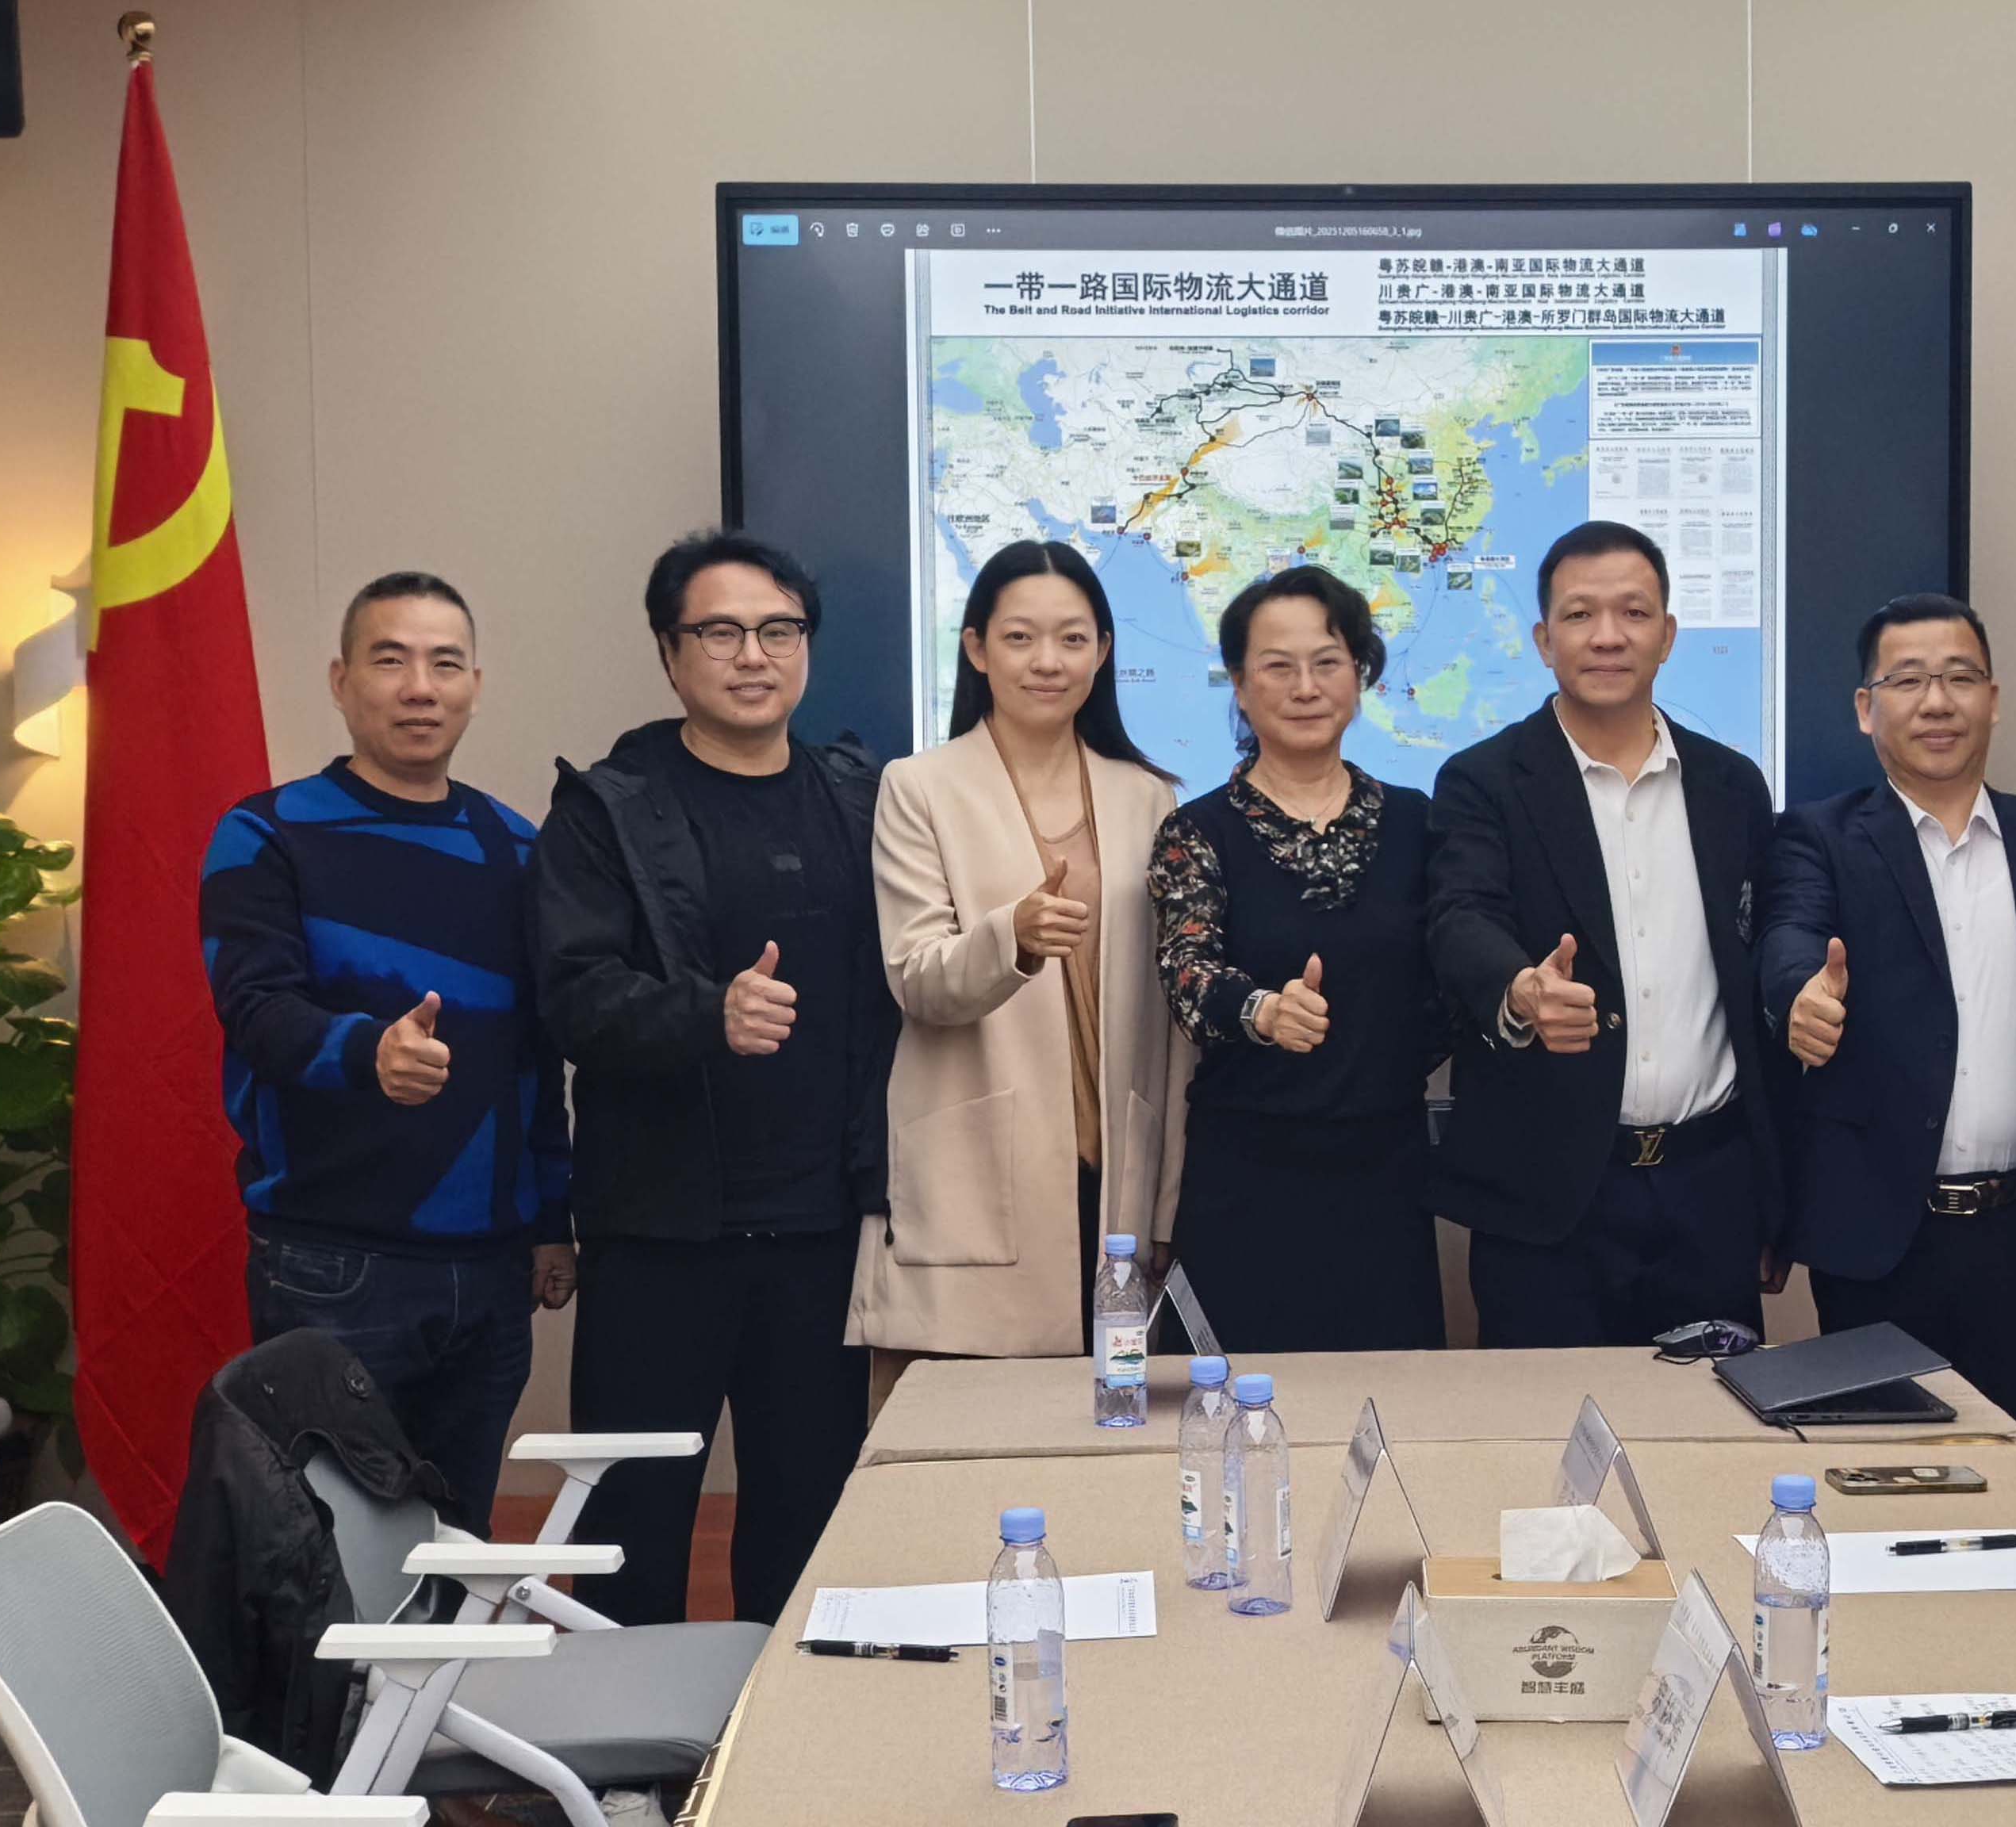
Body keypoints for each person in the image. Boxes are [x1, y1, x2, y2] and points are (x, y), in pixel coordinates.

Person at [527, 529, 899, 1626]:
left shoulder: (861, 797)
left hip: (823, 1233)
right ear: (669, 651)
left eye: (779, 630)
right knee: (633, 1534)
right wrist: (707, 1015)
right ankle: (628, 1740)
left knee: (809, 1524)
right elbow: (571, 997)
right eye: (721, 632)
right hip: (663, 1234)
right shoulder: (606, 809)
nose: (752, 655)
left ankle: (782, 1733)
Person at [199, 572, 569, 1534]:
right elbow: (256, 1010)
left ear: (474, 686)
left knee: (459, 1542)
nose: (419, 688)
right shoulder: (265, 832)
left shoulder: (518, 848)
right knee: (329, 1557)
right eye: (390, 660)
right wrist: (368, 1053)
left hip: (492, 1272)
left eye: (445, 664)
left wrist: (552, 1219)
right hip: (332, 1263)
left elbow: (537, 1054)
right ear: (341, 680)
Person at [1757, 594, 2016, 1496]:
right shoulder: (1818, 837)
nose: (1937, 701)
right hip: (1883, 1243)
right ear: (1866, 708)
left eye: (1960, 678)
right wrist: (1798, 996)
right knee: (1886, 1498)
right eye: (1908, 680)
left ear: (1993, 699)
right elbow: (1787, 936)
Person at [1427, 520, 1780, 1348]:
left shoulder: (1732, 785)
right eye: (1580, 615)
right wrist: (1520, 989)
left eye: (1634, 612)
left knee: (1708, 1423)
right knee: (1545, 1424)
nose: (1608, 636)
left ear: (1668, 635)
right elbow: (1460, 915)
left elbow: (1757, 960)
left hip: (1711, 1193)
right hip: (1547, 1200)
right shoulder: (1483, 780)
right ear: (1544, 640)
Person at [867, 539, 1190, 1385]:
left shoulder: (1148, 796)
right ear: (976, 649)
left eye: (1073, 639)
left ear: (1102, 652)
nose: (1048, 661)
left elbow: (1171, 1025)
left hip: (1115, 1175)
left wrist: (1165, 1201)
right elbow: (916, 978)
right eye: (1020, 638)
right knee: (967, 1437)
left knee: (1110, 1430)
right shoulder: (919, 787)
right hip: (981, 1175)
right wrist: (1009, 935)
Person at [1148, 566, 1448, 1351]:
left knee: (1389, 1401)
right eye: (1278, 667)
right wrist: (1263, 1011)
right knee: (1226, 1402)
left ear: (1361, 676)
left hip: (1384, 1175)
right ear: (1240, 686)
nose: (1306, 687)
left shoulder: (1418, 824)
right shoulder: (1197, 831)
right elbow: (1187, 974)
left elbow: (1447, 981)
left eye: (1327, 662)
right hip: (1246, 1176)